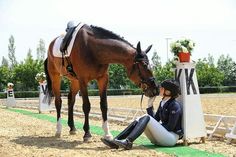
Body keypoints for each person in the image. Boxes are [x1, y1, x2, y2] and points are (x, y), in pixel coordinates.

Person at [101, 79, 183, 150]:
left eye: (162, 88)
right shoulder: (163, 102)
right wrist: (150, 106)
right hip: (161, 138)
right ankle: (116, 141)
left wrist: (156, 125)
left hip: (171, 138)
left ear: (168, 92)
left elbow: (170, 127)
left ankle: (128, 141)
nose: (160, 89)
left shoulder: (174, 105)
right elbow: (155, 119)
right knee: (141, 118)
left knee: (146, 117)